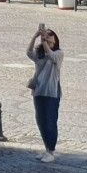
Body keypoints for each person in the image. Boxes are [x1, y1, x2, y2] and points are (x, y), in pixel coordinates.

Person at [28, 25, 63, 162]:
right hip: (38, 90)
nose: (47, 36)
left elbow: (53, 56)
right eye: (45, 34)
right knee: (41, 120)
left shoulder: (59, 53)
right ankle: (46, 149)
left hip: (51, 92)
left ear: (55, 39)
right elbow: (29, 52)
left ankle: (51, 150)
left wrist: (44, 42)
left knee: (50, 120)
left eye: (50, 34)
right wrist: (35, 37)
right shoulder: (40, 53)